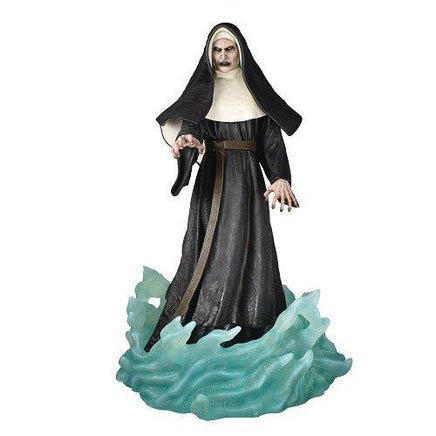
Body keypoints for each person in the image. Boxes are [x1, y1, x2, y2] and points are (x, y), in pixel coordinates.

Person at [144, 23, 302, 352]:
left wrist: (279, 177)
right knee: (209, 247)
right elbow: (191, 129)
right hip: (212, 183)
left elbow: (271, 143)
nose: (223, 56)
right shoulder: (203, 94)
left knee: (248, 247)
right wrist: (187, 141)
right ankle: (206, 323)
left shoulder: (257, 95)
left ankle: (250, 324)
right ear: (209, 54)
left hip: (248, 186)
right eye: (217, 50)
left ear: (240, 53)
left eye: (229, 49)